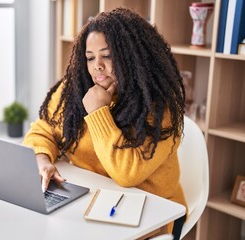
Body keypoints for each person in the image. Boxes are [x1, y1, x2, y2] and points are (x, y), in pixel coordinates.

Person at [23, 7, 187, 234]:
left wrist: (98, 112)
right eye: (90, 57)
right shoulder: (75, 90)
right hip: (89, 203)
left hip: (150, 216)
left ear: (133, 56)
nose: (97, 66)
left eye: (107, 55)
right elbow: (44, 129)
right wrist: (41, 159)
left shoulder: (159, 108)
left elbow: (126, 173)